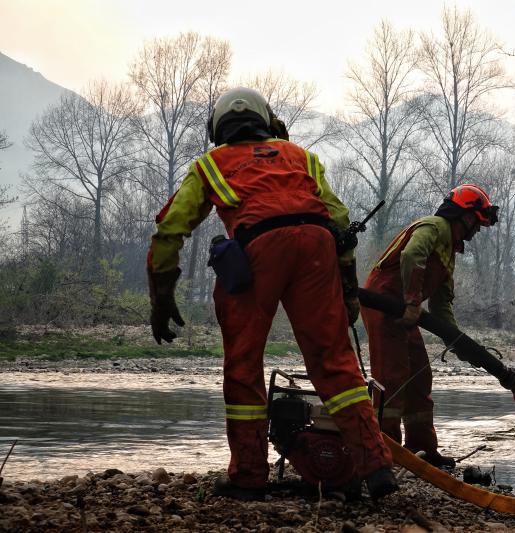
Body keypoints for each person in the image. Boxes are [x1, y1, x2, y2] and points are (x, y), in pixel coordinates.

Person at [146, 87, 397, 501]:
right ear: (266, 120)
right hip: (317, 246)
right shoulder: (302, 156)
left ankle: (249, 476)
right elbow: (340, 220)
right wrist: (348, 291)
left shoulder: (210, 164)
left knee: (244, 365)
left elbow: (170, 230)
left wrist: (161, 298)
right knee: (335, 363)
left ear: (217, 128)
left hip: (256, 252)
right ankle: (376, 466)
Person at [361, 185, 499, 468]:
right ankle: (385, 451)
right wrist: (412, 301)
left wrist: (460, 345)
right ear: (466, 216)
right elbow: (412, 255)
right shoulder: (434, 227)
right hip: (383, 304)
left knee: (420, 376)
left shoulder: (449, 251)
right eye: (477, 223)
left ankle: (422, 450)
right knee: (393, 378)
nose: (477, 231)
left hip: (405, 312)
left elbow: (441, 308)